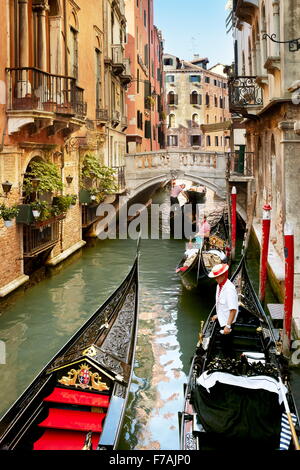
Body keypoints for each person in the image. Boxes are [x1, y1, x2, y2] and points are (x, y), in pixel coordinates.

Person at [208, 263, 239, 359]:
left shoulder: (229, 289)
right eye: (215, 277)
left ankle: (232, 363)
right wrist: (218, 315)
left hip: (228, 323)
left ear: (223, 275)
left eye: (217, 277)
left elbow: (233, 309)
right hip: (222, 320)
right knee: (224, 345)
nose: (216, 279)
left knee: (227, 347)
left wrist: (228, 326)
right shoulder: (219, 285)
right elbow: (222, 304)